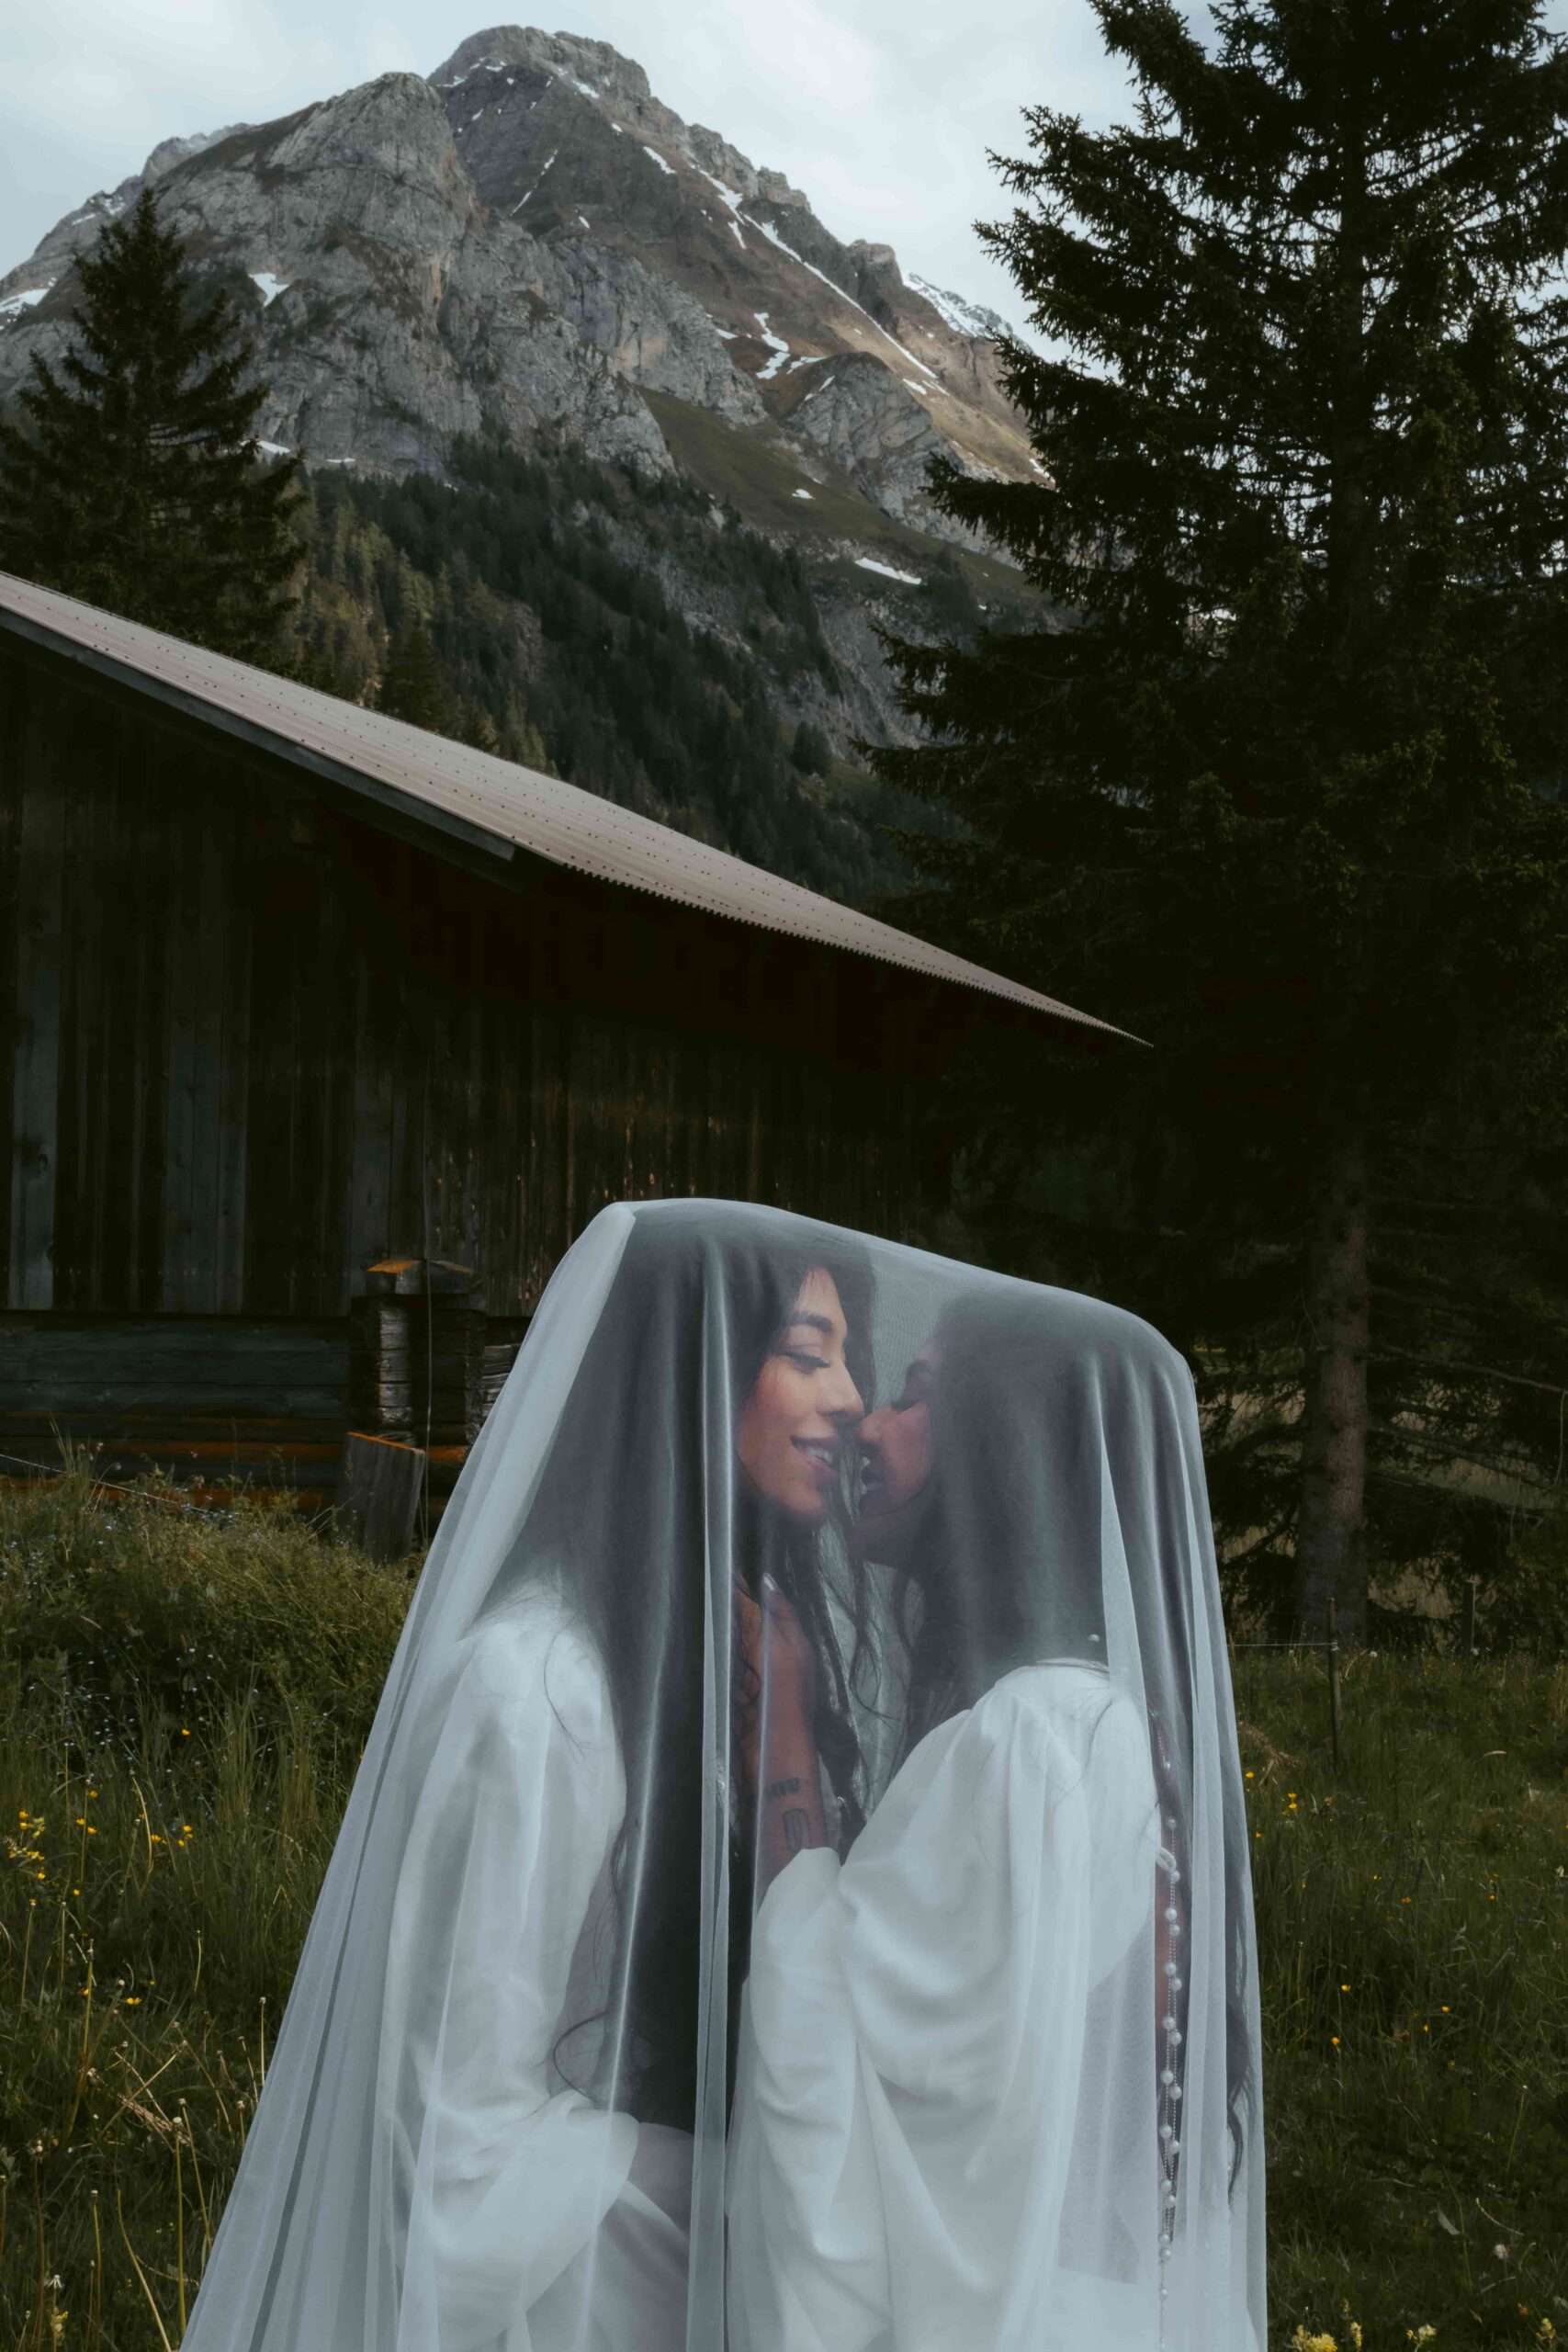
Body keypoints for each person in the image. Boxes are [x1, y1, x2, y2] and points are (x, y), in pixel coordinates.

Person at [181, 1200, 872, 2352]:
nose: (850, 1396)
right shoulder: (537, 1690)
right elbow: (448, 2147)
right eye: (808, 1355)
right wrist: (760, 2199)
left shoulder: (737, 1658)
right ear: (690, 1379)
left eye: (850, 1357)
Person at [728, 1278, 1267, 2352]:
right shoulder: (1085, 1717)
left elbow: (864, 2099)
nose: (868, 1422)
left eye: (914, 1395)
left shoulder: (1032, 1740)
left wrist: (782, 1747)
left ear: (1003, 1439)